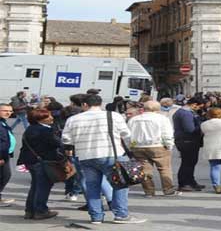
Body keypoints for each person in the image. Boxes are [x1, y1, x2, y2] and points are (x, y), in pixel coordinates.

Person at [62, 94, 145, 224]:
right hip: (111, 153)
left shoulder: (73, 119)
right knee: (120, 184)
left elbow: (66, 139)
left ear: (84, 105)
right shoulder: (113, 116)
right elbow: (126, 134)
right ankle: (121, 214)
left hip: (85, 156)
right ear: (100, 103)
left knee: (92, 186)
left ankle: (96, 216)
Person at [18, 108, 64, 219]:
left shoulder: (30, 129)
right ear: (39, 119)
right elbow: (57, 143)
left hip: (31, 160)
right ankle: (40, 210)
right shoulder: (46, 131)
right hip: (43, 161)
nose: (51, 118)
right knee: (43, 186)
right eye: (47, 116)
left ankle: (30, 210)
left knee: (35, 186)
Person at [127, 100, 178, 197]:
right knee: (164, 169)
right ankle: (168, 190)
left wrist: (130, 146)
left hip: (138, 146)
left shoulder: (133, 119)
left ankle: (149, 191)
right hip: (157, 145)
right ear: (157, 109)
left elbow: (128, 135)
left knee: (144, 169)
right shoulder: (162, 118)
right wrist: (169, 145)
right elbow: (167, 133)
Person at [172, 97, 207, 192]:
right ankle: (184, 183)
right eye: (199, 107)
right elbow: (190, 129)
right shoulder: (185, 114)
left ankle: (191, 181)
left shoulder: (186, 112)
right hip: (187, 141)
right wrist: (202, 126)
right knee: (187, 163)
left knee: (191, 163)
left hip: (188, 140)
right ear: (194, 104)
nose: (199, 109)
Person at [0, 104, 13, 206]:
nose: (8, 113)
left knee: (4, 176)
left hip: (5, 155)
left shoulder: (3, 123)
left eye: (10, 111)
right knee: (4, 176)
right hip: (1, 155)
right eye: (5, 111)